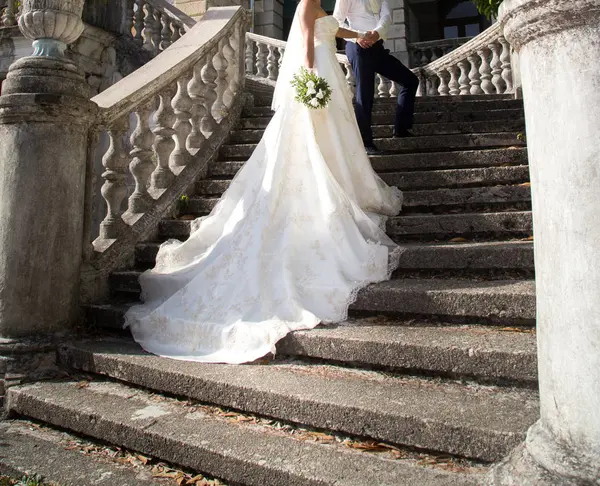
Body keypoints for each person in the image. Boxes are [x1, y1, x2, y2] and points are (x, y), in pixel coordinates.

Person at [124, 0, 403, 364]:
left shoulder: (321, 10)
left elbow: (336, 29)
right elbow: (305, 44)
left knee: (336, 139)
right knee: (310, 144)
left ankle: (342, 185)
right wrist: (310, 79)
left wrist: (362, 36)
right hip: (317, 73)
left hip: (329, 75)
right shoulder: (306, 6)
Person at [333, 0, 419, 154]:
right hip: (357, 45)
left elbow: (386, 16)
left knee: (410, 80)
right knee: (365, 92)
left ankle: (401, 128)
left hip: (377, 45)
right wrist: (357, 37)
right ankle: (365, 143)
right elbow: (336, 23)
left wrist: (377, 33)